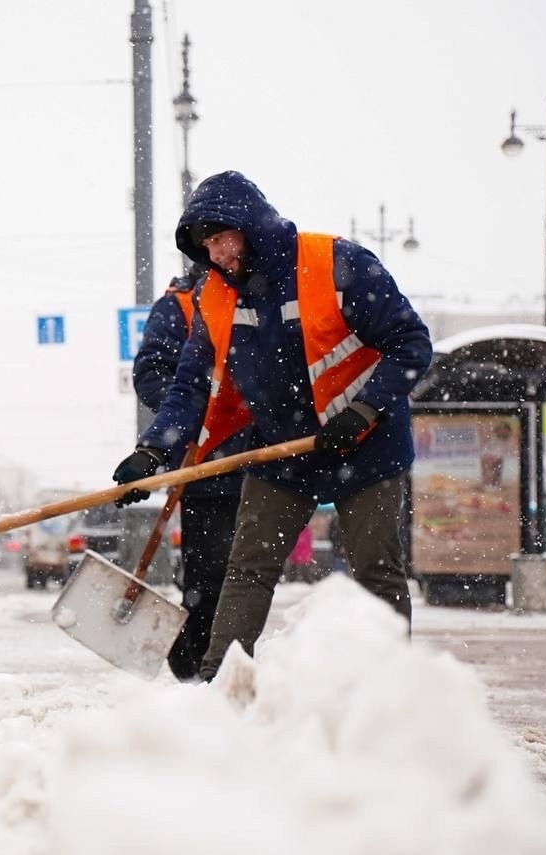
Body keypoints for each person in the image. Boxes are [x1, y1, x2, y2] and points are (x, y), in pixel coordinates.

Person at [112, 170, 432, 680]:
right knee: (248, 568)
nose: (215, 255)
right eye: (206, 246)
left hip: (367, 445)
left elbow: (411, 344)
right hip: (284, 450)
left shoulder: (336, 264)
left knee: (376, 571)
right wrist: (154, 451)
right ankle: (223, 687)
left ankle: (387, 689)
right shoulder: (213, 299)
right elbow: (192, 387)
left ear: (249, 225)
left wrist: (362, 411)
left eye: (221, 239)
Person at [132, 268, 251, 681]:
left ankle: (229, 665)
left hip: (268, 459)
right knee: (212, 575)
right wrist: (199, 415)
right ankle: (198, 666)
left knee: (251, 574)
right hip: (207, 466)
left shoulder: (266, 289)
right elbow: (152, 373)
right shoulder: (181, 304)